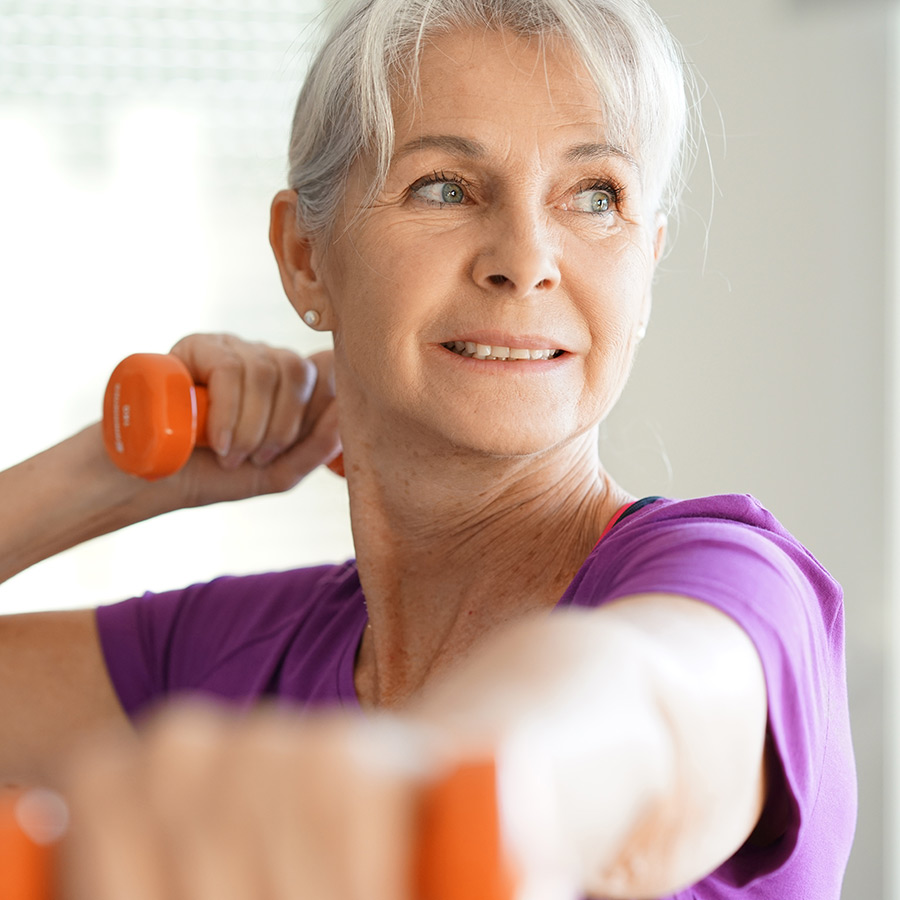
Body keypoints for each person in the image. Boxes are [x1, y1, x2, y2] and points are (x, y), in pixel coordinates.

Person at [0, 0, 856, 897]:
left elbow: (639, 714)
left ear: (646, 270)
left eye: (595, 195)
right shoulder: (240, 655)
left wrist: (430, 787)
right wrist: (112, 472)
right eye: (445, 186)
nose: (525, 259)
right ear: (303, 257)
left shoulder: (735, 585)